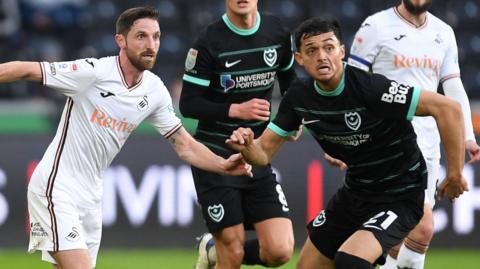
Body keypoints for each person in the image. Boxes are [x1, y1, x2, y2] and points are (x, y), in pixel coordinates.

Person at [0, 7, 252, 269]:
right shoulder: (93, 73)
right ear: (121, 40)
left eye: (156, 37)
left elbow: (184, 144)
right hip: (57, 186)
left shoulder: (154, 90)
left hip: (91, 195)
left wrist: (222, 165)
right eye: (141, 36)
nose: (151, 45)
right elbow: (27, 69)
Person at [226, 17, 469, 269]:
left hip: (400, 195)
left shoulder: (371, 89)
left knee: (350, 261)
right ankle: (219, 249)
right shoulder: (299, 97)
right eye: (312, 50)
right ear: (300, 59)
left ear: (342, 51)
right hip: (356, 193)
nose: (322, 56)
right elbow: (263, 153)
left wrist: (454, 173)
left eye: (329, 48)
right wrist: (247, 147)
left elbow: (448, 109)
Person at [346, 1, 480, 268]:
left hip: (428, 144)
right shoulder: (375, 26)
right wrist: (346, 136)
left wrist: (467, 134)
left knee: (413, 234)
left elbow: (452, 85)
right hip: (386, 143)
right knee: (419, 227)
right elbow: (351, 85)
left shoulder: (443, 32)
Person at [179, 0, 296, 268]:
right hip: (215, 157)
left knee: (279, 251)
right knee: (231, 254)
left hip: (255, 155)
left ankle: (211, 249)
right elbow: (189, 104)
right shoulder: (208, 41)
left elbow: (291, 82)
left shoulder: (277, 32)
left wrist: (293, 118)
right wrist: (235, 109)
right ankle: (216, 249)